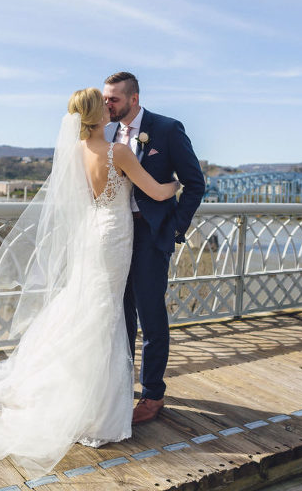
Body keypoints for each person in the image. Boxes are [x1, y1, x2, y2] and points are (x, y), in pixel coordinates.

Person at [0, 87, 180, 478]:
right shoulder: (117, 152)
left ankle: (61, 387)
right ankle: (94, 408)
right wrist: (177, 186)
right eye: (103, 105)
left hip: (92, 234)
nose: (110, 108)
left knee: (86, 303)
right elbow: (154, 190)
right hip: (114, 235)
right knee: (102, 311)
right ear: (97, 115)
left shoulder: (74, 153)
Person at [103, 72, 205, 424]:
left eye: (113, 99)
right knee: (120, 315)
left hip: (150, 234)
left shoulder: (167, 129)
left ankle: (152, 395)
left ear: (133, 99)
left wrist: (176, 225)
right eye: (105, 98)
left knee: (150, 315)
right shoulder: (107, 132)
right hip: (115, 234)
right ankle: (121, 385)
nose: (107, 104)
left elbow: (195, 184)